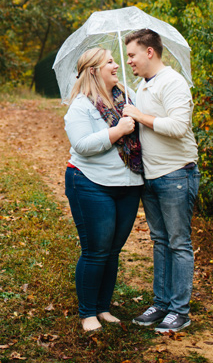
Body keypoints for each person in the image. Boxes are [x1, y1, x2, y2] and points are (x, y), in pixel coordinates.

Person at [122, 28, 199, 333]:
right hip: (151, 177)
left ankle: (180, 311)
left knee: (179, 243)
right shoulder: (142, 86)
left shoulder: (173, 82)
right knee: (160, 241)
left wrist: (139, 116)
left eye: (132, 55)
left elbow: (179, 127)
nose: (128, 61)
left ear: (149, 52)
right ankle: (161, 303)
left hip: (176, 174)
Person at [63, 48, 144, 332]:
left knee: (112, 251)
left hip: (128, 185)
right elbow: (82, 145)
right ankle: (87, 313)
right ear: (94, 70)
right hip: (90, 183)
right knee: (96, 250)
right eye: (109, 61)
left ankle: (102, 308)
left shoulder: (128, 97)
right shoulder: (81, 106)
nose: (117, 64)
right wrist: (118, 130)